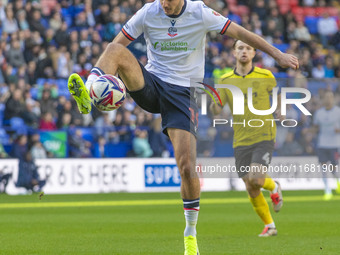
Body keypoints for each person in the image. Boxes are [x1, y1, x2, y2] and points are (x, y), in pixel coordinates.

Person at [68, 1, 298, 253]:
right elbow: (117, 45)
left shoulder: (200, 12)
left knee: (187, 167)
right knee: (115, 49)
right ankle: (90, 93)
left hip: (183, 94)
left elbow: (241, 33)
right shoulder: (149, 11)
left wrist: (277, 54)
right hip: (152, 84)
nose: (165, 4)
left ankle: (190, 234)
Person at [210, 40, 283, 237]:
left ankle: (274, 186)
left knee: (256, 179)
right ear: (234, 53)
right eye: (240, 48)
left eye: (248, 48)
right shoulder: (225, 80)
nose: (244, 51)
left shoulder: (265, 75)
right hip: (241, 138)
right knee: (251, 187)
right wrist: (212, 103)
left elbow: (277, 93)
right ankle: (270, 225)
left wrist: (279, 108)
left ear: (253, 53)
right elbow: (217, 108)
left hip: (264, 134)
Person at [312, 90, 340, 200]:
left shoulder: (338, 111)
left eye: (330, 97)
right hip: (322, 144)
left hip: (334, 144)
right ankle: (327, 190)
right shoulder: (319, 113)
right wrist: (309, 131)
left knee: (333, 168)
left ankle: (337, 181)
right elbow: (315, 127)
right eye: (326, 97)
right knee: (323, 167)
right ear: (323, 100)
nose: (328, 99)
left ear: (333, 99)